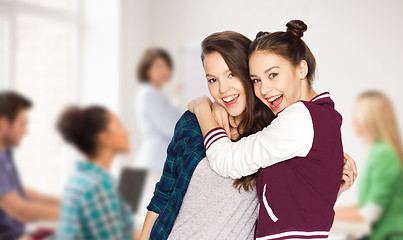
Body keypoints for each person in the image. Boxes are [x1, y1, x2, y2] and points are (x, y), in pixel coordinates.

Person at [140, 30, 357, 240]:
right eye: (212, 80)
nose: (223, 89)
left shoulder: (276, 129)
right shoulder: (192, 124)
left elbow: (292, 199)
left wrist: (330, 187)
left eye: (231, 74)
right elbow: (163, 194)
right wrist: (202, 107)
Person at [56, 105, 134, 240]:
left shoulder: (79, 179)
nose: (126, 132)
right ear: (105, 138)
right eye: (119, 125)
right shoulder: (98, 187)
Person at [335, 91, 403, 240]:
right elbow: (365, 207)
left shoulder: (384, 154)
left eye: (356, 114)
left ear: (371, 119)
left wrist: (320, 216)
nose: (352, 120)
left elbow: (369, 214)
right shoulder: (379, 152)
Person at [0, 91, 60, 240]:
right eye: (22, 124)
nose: (26, 131)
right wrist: (76, 213)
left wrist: (64, 201)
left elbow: (16, 191)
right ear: (3, 123)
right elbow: (21, 211)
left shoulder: (6, 153)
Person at [136, 48, 180, 172]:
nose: (165, 70)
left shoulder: (155, 93)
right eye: (159, 67)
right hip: (154, 162)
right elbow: (171, 128)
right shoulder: (149, 94)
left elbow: (171, 119)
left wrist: (177, 97)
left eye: (166, 66)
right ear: (148, 70)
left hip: (155, 161)